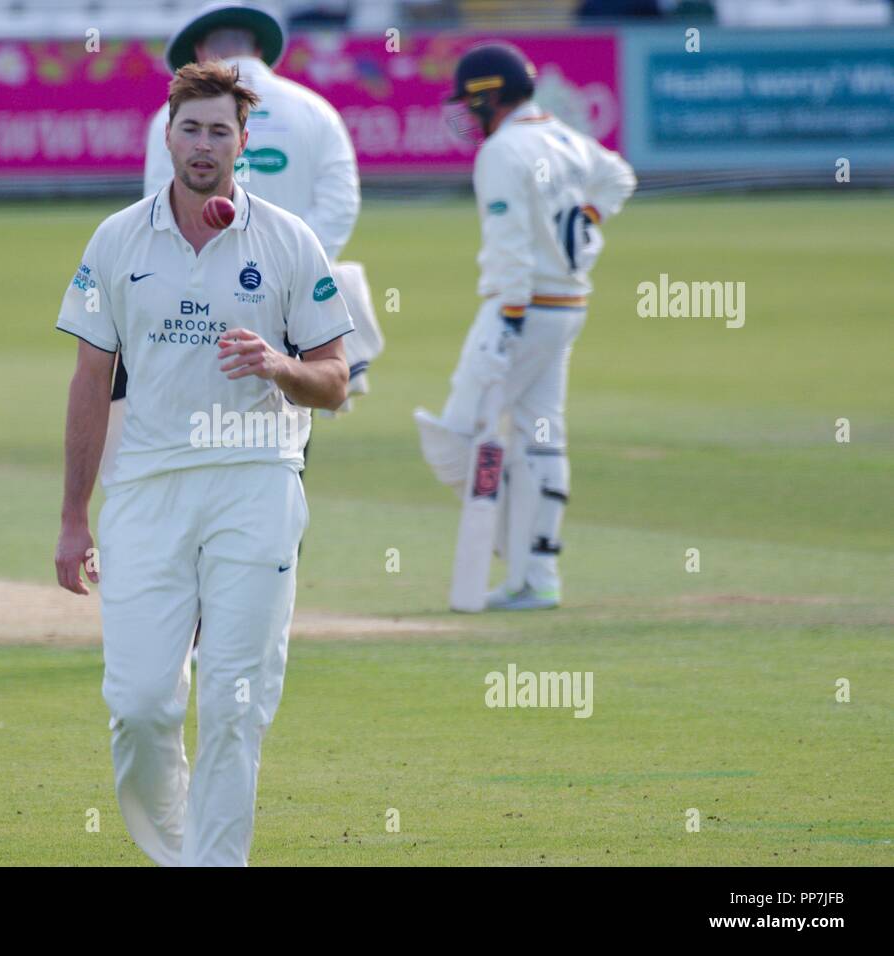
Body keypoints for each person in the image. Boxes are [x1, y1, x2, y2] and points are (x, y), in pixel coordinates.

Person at [53, 61, 353, 866]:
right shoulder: (118, 240)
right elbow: (89, 382)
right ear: (168, 134)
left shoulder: (289, 240)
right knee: (142, 705)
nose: (204, 145)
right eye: (191, 128)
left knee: (233, 701)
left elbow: (333, 382)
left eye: (221, 130)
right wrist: (73, 517)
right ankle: (180, 849)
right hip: (147, 488)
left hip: (255, 480)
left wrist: (279, 367)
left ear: (243, 142)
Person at [100, 1, 379, 482]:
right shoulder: (318, 111)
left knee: (180, 443)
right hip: (288, 309)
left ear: (202, 51)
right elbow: (339, 205)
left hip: (188, 306)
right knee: (283, 454)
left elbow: (157, 212)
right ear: (256, 45)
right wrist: (294, 278)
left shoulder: (169, 124)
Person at [414, 41, 636, 611]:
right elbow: (619, 178)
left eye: (470, 101)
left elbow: (509, 246)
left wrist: (509, 319)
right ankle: (537, 576)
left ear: (492, 96)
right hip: (566, 308)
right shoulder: (564, 137)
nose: (465, 113)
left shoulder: (502, 152)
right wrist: (588, 218)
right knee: (541, 433)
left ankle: (514, 547)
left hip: (519, 309)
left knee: (455, 441)